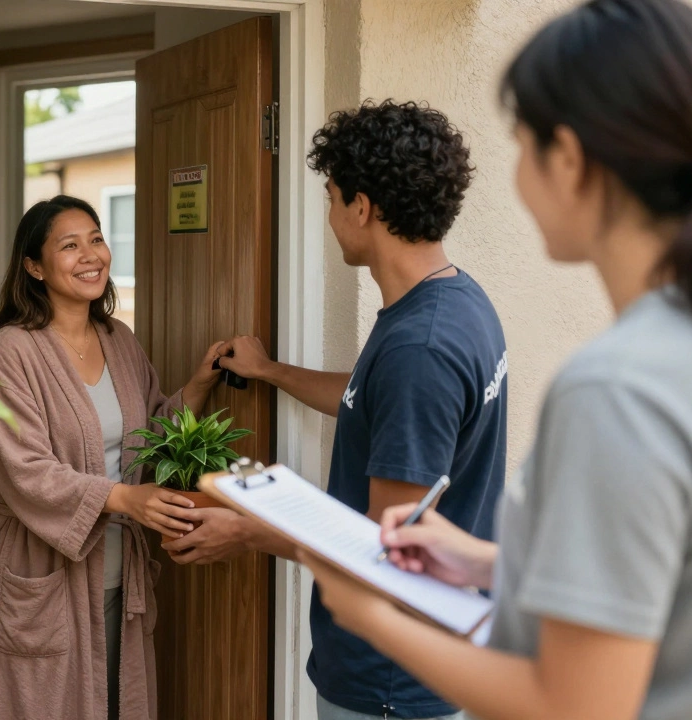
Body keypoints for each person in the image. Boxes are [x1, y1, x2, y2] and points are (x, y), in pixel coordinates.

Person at [300, 2, 692, 719]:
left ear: (571, 160)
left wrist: (372, 617)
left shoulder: (618, 389)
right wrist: (494, 563)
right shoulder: (680, 348)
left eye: (522, 145)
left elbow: (574, 707)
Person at [166, 101, 508, 720]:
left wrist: (241, 530)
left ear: (362, 207)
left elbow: (383, 547)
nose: (329, 215)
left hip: (391, 681)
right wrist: (270, 372)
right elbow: (373, 398)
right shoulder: (454, 301)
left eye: (330, 197)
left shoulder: (419, 347)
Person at [0, 195, 222, 720]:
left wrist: (199, 384)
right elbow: (24, 470)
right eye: (69, 245)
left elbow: (151, 434)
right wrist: (125, 497)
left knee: (116, 704)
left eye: (96, 238)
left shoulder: (119, 340)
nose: (91, 255)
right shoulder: (10, 351)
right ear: (34, 267)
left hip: (117, 573)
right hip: (40, 575)